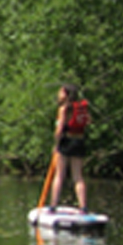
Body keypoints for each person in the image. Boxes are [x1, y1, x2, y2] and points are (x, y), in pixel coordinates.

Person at [49, 83, 91, 212]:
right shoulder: (81, 108)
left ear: (66, 95)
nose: (58, 94)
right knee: (78, 176)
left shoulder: (64, 109)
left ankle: (53, 205)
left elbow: (59, 129)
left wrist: (56, 145)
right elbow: (88, 121)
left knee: (59, 175)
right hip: (79, 141)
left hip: (67, 141)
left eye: (61, 92)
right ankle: (83, 206)